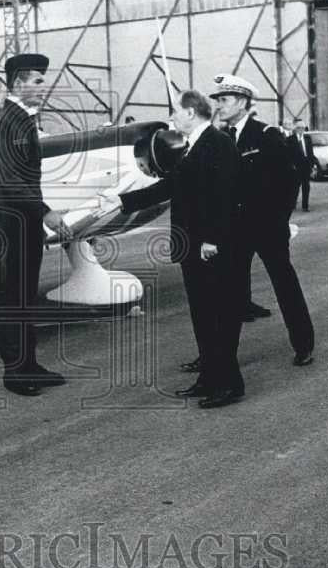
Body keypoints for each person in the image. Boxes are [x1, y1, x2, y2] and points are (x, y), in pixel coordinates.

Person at [103, 90, 244, 409]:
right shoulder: (193, 145)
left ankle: (229, 384)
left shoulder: (218, 144)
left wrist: (212, 239)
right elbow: (172, 186)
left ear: (192, 113)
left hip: (209, 247)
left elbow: (225, 196)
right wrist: (123, 201)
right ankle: (208, 379)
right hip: (191, 246)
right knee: (203, 316)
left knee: (217, 316)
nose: (172, 117)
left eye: (175, 112)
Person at [0, 53, 72, 396]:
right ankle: (14, 373)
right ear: (18, 82)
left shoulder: (23, 119)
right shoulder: (4, 121)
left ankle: (29, 365)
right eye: (36, 80)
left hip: (24, 217)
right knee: (11, 296)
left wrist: (37, 213)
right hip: (9, 218)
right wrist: (45, 211)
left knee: (26, 295)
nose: (42, 87)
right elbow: (6, 178)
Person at [212, 74, 316, 367]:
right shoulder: (220, 139)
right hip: (235, 231)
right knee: (230, 292)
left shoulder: (266, 134)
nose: (219, 106)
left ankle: (303, 343)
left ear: (242, 102)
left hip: (267, 228)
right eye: (218, 100)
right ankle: (220, 357)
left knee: (285, 285)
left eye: (224, 100)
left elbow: (290, 179)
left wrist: (279, 219)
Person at [287, 118, 313, 211]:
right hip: (296, 166)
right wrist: (291, 165)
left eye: (303, 128)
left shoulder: (307, 139)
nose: (301, 130)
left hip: (306, 165)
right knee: (295, 187)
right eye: (299, 128)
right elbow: (288, 155)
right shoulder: (290, 139)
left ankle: (305, 206)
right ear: (295, 128)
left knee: (306, 186)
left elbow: (311, 153)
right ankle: (292, 204)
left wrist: (312, 165)